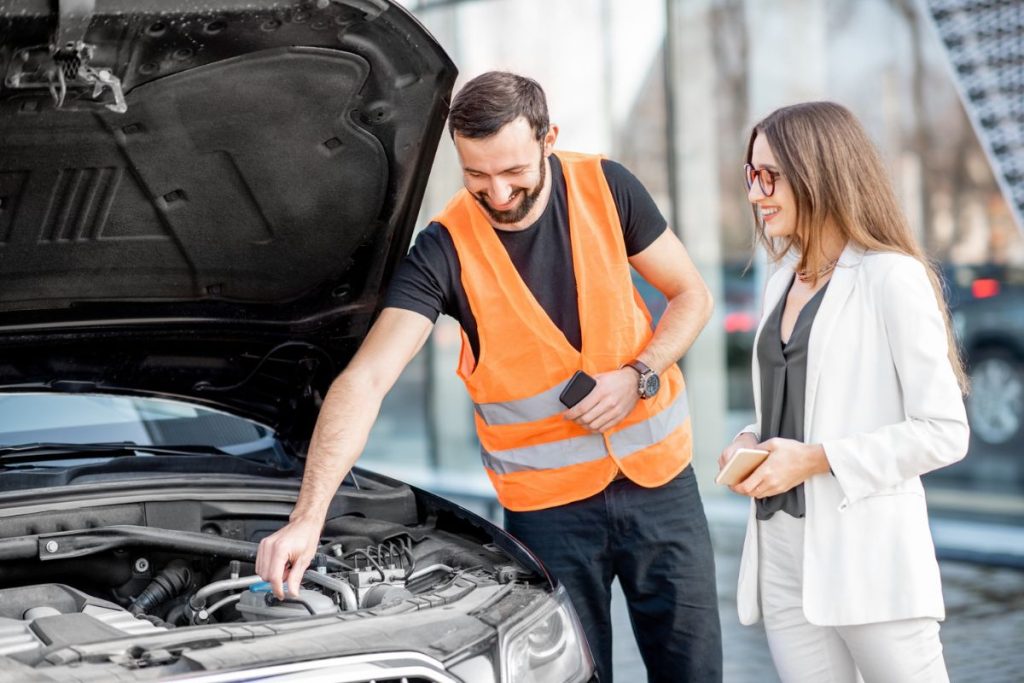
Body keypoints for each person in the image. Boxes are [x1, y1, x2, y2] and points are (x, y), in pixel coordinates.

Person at [255, 71, 722, 682]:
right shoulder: (443, 250)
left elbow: (691, 295)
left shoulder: (608, 188)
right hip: (549, 517)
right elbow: (365, 380)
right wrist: (308, 516)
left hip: (662, 489)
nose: (498, 193)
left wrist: (640, 372)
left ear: (547, 138)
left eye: (513, 173)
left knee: (695, 672)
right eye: (476, 175)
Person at [719, 101, 969, 683]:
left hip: (868, 557)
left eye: (770, 176)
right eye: (751, 176)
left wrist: (813, 460)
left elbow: (945, 431)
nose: (756, 193)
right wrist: (750, 440)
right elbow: (795, 406)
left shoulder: (891, 277)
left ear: (819, 172)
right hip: (779, 547)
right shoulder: (782, 281)